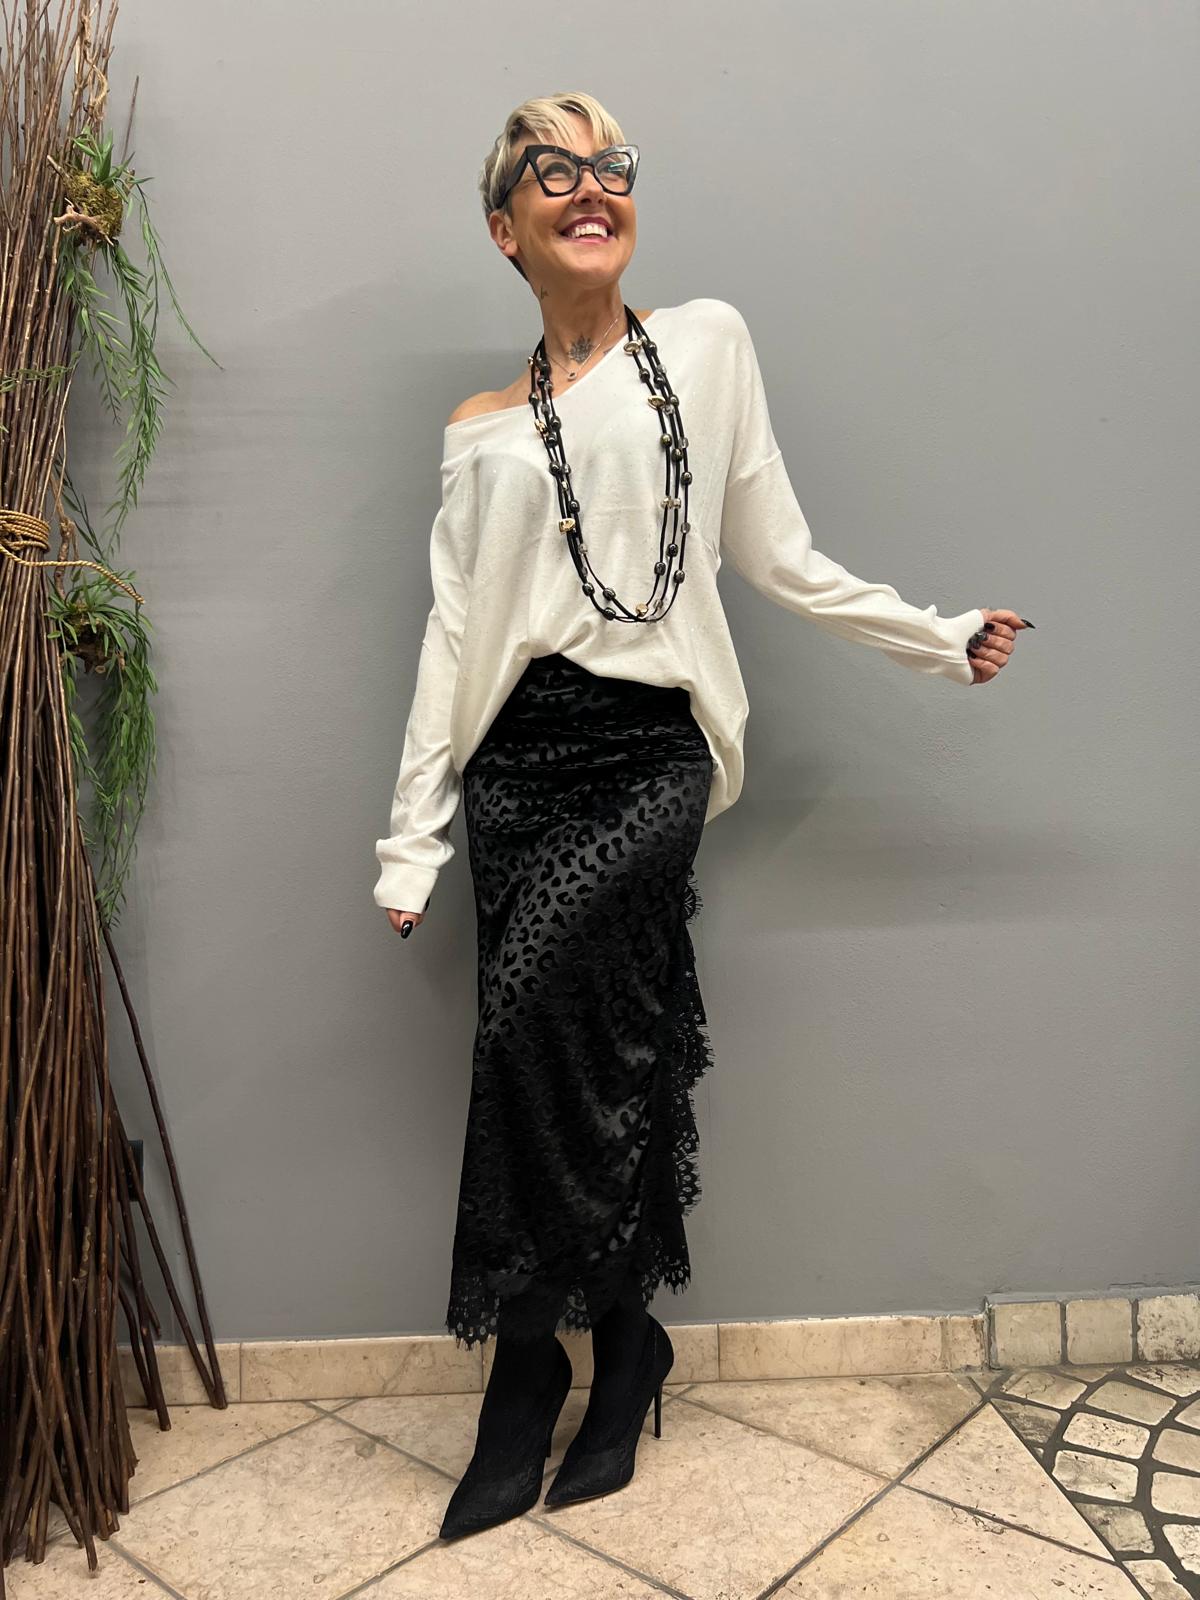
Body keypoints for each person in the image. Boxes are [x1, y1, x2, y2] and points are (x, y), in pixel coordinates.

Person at [373, 91, 1031, 1541]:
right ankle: (620, 1349)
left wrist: (934, 635)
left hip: (651, 752)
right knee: (590, 1054)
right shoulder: (479, 431)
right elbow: (455, 634)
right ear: (505, 227)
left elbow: (778, 554)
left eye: (610, 165)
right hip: (519, 765)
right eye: (553, 169)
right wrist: (413, 835)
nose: (589, 185)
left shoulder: (706, 346)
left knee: (543, 1032)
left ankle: (528, 1372)